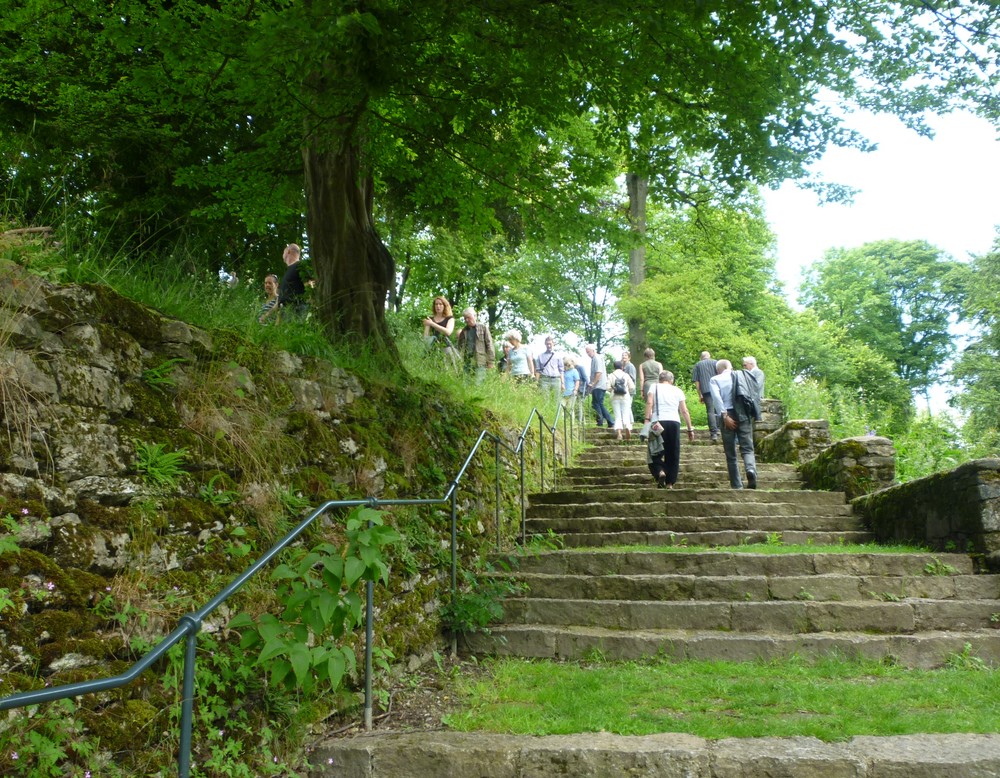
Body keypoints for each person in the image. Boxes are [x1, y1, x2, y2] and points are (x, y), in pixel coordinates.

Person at [709, 359, 759, 489]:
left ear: (718, 370)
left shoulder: (715, 379)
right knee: (747, 447)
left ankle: (736, 485)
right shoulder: (743, 376)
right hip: (743, 413)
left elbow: (716, 398)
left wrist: (724, 415)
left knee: (730, 452)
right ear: (730, 367)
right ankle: (750, 470)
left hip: (727, 414)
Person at [644, 370, 694, 488]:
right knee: (673, 452)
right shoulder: (677, 390)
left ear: (660, 379)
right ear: (671, 380)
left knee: (654, 451)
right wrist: (689, 428)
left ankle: (660, 471)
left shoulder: (654, 386)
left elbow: (649, 402)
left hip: (658, 422)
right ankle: (670, 483)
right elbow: (684, 411)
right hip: (674, 422)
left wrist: (646, 419)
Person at [455, 308, 494, 381]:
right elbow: (459, 346)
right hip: (467, 361)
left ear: (475, 316)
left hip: (480, 361)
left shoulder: (483, 328)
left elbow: (489, 344)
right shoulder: (464, 331)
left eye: (468, 317)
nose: (466, 320)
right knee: (466, 383)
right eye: (465, 318)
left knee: (478, 383)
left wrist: (491, 361)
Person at [692, 350, 720, 443]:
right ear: (709, 356)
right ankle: (719, 429)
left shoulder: (698, 365)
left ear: (701, 357)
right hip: (717, 389)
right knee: (719, 409)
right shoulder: (716, 363)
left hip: (706, 390)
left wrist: (699, 394)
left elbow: (697, 381)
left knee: (710, 411)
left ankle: (714, 433)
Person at [422, 296, 459, 368]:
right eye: (436, 304)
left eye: (440, 304)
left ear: (444, 305)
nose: (438, 306)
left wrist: (432, 324)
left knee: (447, 370)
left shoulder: (450, 318)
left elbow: (448, 332)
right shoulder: (430, 319)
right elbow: (425, 336)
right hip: (432, 348)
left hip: (446, 348)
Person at [584, 343, 615, 428]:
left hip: (599, 385)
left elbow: (598, 373)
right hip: (599, 385)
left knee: (596, 403)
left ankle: (606, 421)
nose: (587, 354)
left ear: (593, 350)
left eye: (588, 352)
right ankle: (606, 421)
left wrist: (593, 383)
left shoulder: (596, 358)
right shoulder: (596, 358)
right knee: (597, 403)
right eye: (586, 352)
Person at [277, 243, 308, 317]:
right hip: (285, 311)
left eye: (283, 252)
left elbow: (309, 284)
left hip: (296, 309)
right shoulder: (288, 271)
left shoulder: (300, 266)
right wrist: (266, 315)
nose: (283, 255)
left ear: (288, 251)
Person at [608, 360, 636, 441]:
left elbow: (607, 387)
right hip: (625, 397)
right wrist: (627, 391)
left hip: (615, 397)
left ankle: (619, 434)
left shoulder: (611, 375)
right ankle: (627, 427)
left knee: (617, 416)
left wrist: (613, 390)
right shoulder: (626, 375)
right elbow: (632, 387)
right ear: (622, 367)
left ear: (614, 367)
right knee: (626, 414)